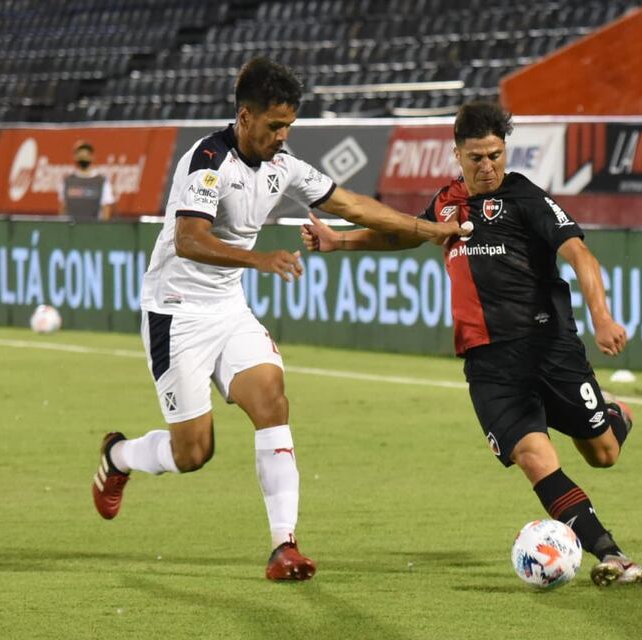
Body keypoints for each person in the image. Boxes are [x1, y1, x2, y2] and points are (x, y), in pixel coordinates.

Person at [90, 57, 463, 581]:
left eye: (289, 125)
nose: (283, 136)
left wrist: (427, 230)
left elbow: (351, 205)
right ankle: (120, 456)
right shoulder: (207, 161)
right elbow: (189, 239)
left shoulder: (282, 164)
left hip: (228, 309)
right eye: (274, 126)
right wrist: (259, 259)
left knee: (272, 401)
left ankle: (284, 546)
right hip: (176, 312)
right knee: (194, 452)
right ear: (245, 117)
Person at [301, 101, 642, 586]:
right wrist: (340, 242)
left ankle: (615, 414)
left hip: (549, 350)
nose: (487, 167)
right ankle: (611, 555)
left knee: (603, 453)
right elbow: (405, 235)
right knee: (534, 457)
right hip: (489, 365)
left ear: (505, 151)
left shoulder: (526, 199)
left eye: (495, 155)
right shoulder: (446, 202)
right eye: (476, 158)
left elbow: (580, 255)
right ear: (456, 155)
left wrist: (603, 317)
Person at [59, 140, 115, 221]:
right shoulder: (68, 181)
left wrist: (103, 229)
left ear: (92, 157)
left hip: (93, 228)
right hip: (72, 228)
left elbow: (106, 209)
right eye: (81, 155)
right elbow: (63, 207)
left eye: (86, 155)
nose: (83, 158)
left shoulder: (101, 181)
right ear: (75, 157)